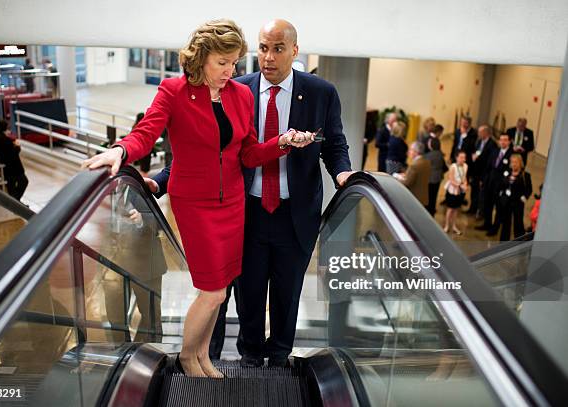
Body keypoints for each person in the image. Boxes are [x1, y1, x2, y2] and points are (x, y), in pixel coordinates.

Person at [82, 19, 313, 378]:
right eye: (223, 63)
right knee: (211, 292)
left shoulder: (241, 94)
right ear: (202, 58)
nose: (230, 71)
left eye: (235, 62)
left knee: (219, 295)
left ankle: (203, 356)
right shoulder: (174, 92)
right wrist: (121, 151)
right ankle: (189, 358)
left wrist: (281, 143)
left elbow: (248, 153)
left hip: (234, 204)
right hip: (195, 206)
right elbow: (146, 133)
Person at [149, 19, 353, 367]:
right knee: (248, 294)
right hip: (246, 211)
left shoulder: (321, 92)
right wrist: (160, 180)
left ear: (294, 51)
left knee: (288, 295)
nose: (268, 57)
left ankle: (279, 361)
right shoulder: (236, 88)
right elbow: (206, 150)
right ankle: (249, 357)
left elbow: (334, 144)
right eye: (262, 48)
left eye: (277, 49)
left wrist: (343, 173)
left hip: (296, 213)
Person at [476, 134, 513, 235]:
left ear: (509, 141)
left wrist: (503, 183)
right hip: (489, 182)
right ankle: (487, 224)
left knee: (499, 208)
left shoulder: (511, 155)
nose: (502, 142)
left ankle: (495, 228)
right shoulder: (495, 151)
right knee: (488, 204)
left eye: (505, 140)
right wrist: (483, 180)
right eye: (501, 140)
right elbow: (487, 166)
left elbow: (510, 171)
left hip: (501, 185)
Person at [0, 119, 28, 201]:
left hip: (4, 168)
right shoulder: (6, 140)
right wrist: (17, 146)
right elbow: (13, 153)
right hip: (14, 169)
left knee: (11, 188)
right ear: (5, 128)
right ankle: (15, 202)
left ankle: (15, 203)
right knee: (23, 182)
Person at [498, 154, 532, 241]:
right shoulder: (507, 172)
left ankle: (519, 242)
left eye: (516, 162)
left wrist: (524, 197)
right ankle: (503, 242)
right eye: (512, 162)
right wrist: (501, 193)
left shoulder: (525, 175)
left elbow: (529, 189)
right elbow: (502, 184)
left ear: (520, 163)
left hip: (518, 203)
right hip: (507, 202)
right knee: (506, 222)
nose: (513, 164)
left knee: (518, 223)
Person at [468, 124, 497, 216]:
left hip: (484, 173)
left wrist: (479, 157)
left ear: (486, 132)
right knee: (474, 190)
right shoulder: (479, 141)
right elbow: (475, 150)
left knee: (482, 194)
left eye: (480, 132)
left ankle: (481, 212)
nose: (478, 133)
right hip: (476, 171)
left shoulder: (492, 144)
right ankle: (472, 208)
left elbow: (490, 160)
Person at [397, 141, 431, 206]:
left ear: (416, 152)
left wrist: (397, 178)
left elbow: (407, 183)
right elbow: (420, 176)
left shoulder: (414, 166)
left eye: (411, 150)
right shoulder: (426, 162)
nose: (409, 152)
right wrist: (407, 175)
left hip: (414, 198)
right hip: (423, 197)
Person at [444, 150, 468, 235]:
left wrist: (465, 184)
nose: (463, 159)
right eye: (461, 157)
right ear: (456, 158)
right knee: (450, 209)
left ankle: (454, 226)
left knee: (456, 209)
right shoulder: (453, 166)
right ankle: (446, 225)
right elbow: (451, 179)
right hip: (452, 190)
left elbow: (464, 177)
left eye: (464, 157)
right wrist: (459, 185)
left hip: (460, 191)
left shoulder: (465, 166)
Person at [424, 137, 448, 216]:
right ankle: (432, 210)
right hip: (438, 178)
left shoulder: (428, 155)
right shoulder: (440, 155)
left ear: (431, 145)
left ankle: (427, 211)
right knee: (434, 195)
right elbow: (445, 168)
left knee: (428, 196)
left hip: (429, 179)